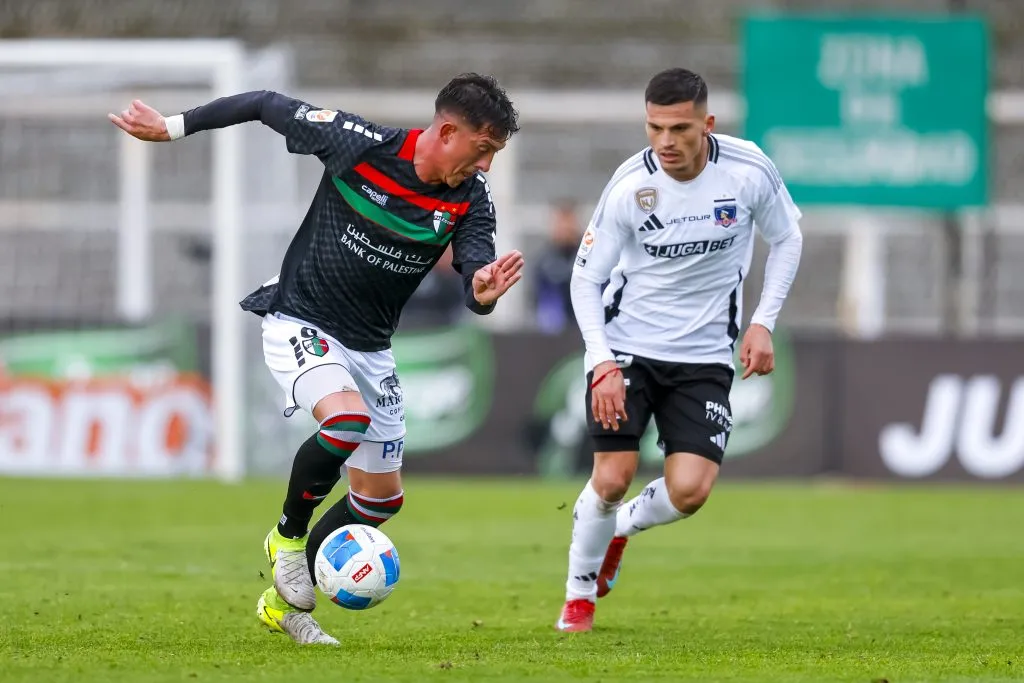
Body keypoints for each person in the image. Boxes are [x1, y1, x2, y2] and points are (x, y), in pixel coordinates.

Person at [110, 74, 523, 645]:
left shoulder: (469, 198)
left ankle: (280, 606)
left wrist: (483, 290)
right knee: (346, 420)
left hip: (371, 347)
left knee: (381, 500)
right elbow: (263, 103)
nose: (485, 167)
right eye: (484, 150)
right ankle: (287, 539)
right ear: (449, 132)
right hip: (301, 319)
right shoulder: (362, 144)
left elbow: (476, 279)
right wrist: (174, 127)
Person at [555, 68, 803, 632]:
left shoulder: (747, 171)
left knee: (690, 491)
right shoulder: (629, 187)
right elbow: (585, 279)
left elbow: (787, 236)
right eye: (654, 127)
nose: (665, 141)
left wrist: (763, 321)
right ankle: (578, 597)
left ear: (707, 124)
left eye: (679, 128)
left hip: (706, 355)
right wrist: (601, 362)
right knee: (612, 478)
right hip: (628, 348)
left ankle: (621, 531)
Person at [533, 200, 584, 334]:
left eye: (569, 222)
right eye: (561, 223)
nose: (566, 228)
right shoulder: (544, 262)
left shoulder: (590, 257)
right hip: (555, 331)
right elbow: (539, 300)